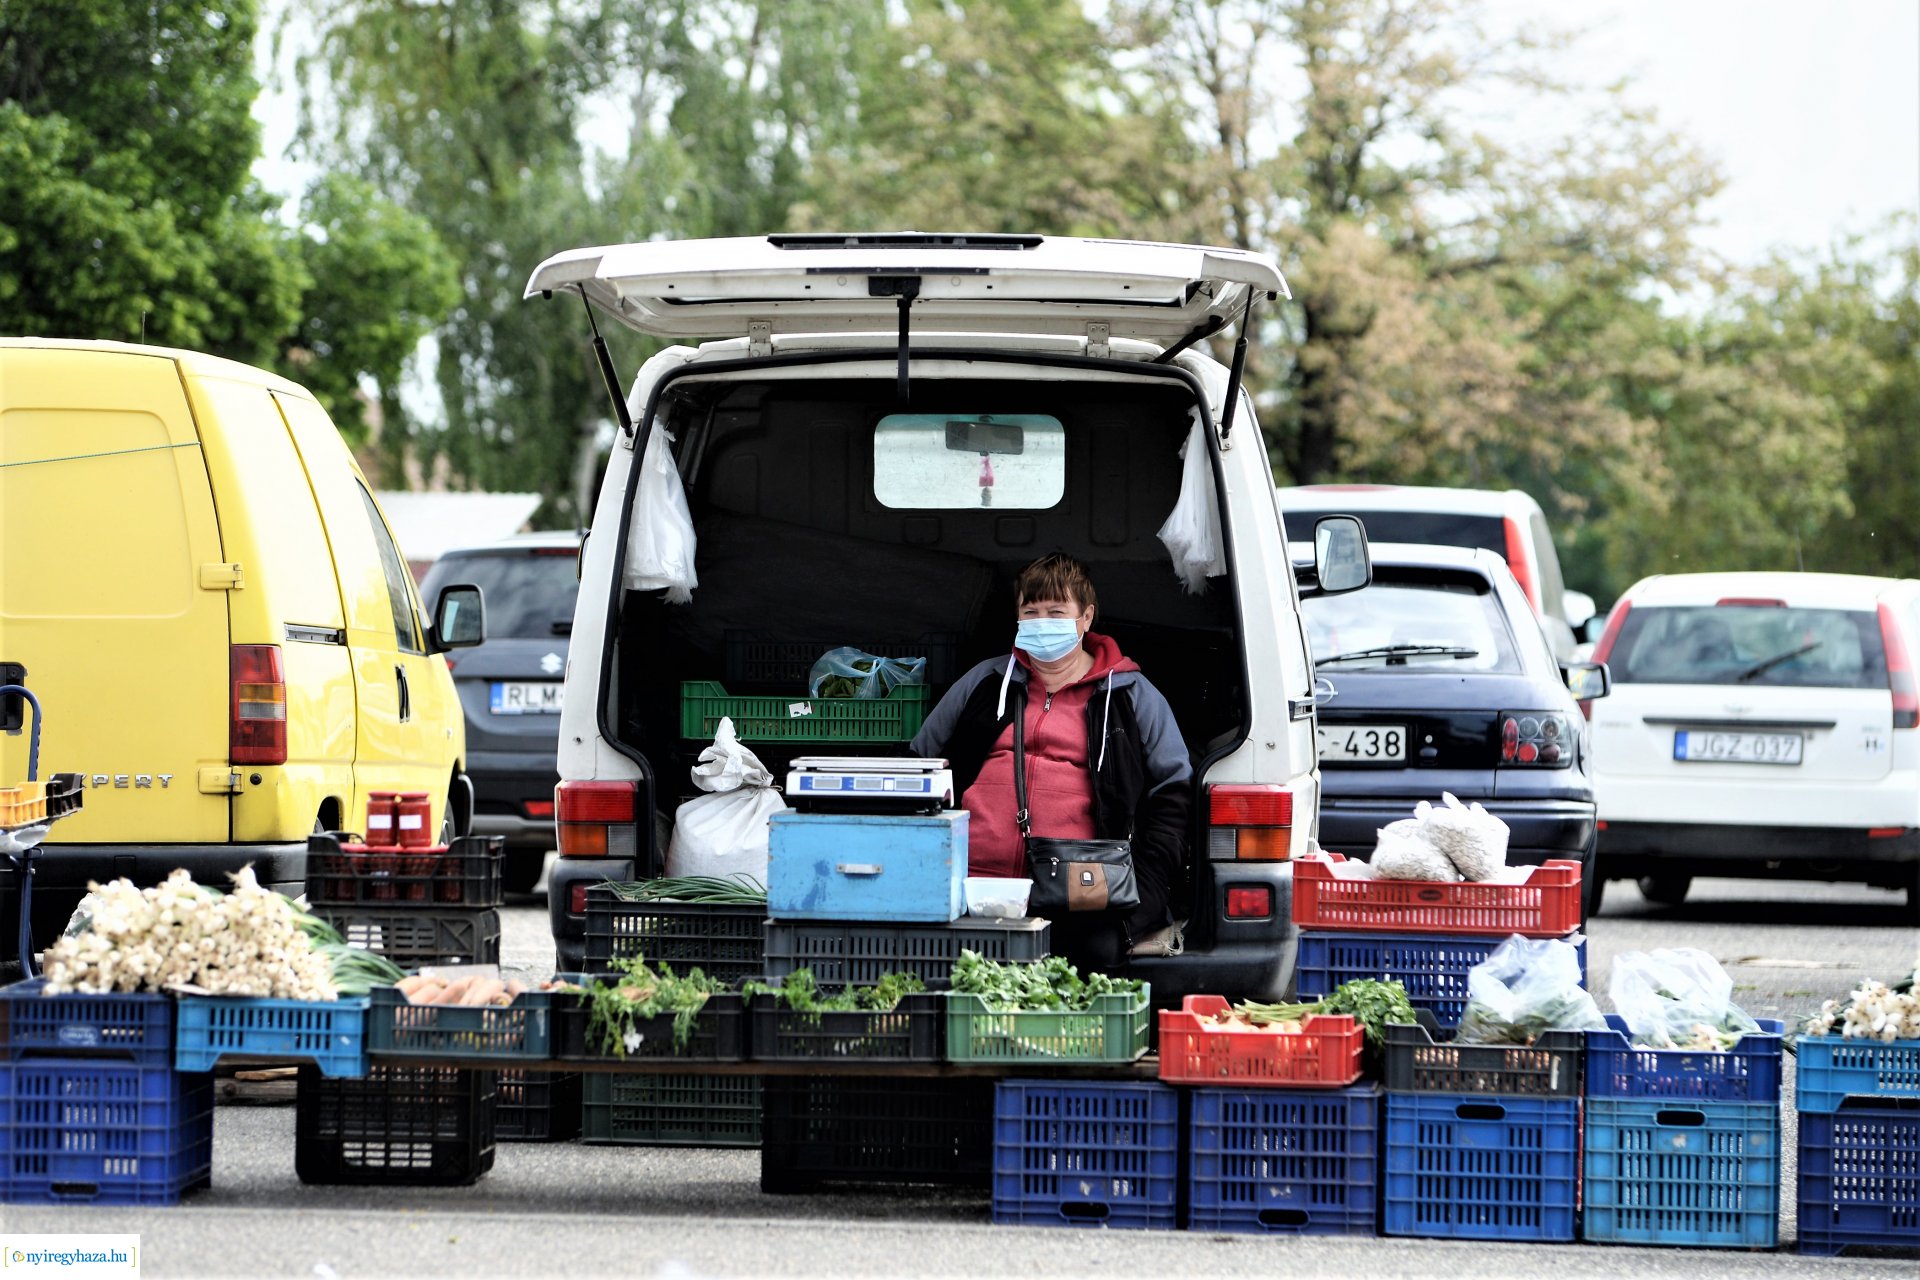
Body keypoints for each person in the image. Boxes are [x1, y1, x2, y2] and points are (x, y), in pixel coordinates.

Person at [909, 553, 1192, 974]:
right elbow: (918, 766)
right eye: (1031, 611)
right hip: (968, 887)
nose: (1042, 622)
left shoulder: (1132, 694)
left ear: (1086, 618)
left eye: (1056, 612)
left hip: (1079, 901)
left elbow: (1173, 799)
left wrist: (1141, 899)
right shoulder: (985, 682)